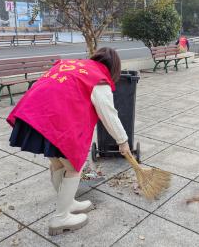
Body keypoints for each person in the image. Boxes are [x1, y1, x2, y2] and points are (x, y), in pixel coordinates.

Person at [7, 48, 130, 235]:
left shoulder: (72, 64)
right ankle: (61, 217)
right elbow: (108, 115)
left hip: (33, 112)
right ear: (114, 68)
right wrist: (123, 141)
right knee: (73, 167)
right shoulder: (99, 78)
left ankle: (68, 203)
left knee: (57, 162)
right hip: (54, 119)